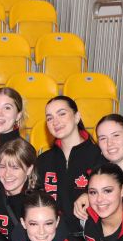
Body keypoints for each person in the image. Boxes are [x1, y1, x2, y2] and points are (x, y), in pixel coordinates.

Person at [36, 95, 104, 233]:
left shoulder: (99, 156)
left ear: (77, 117)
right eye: (49, 118)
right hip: (52, 238)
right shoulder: (43, 160)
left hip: (91, 239)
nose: (55, 122)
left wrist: (91, 195)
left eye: (61, 114)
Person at [0, 137, 37, 241]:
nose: (7, 174)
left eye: (15, 167)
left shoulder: (38, 202)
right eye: (2, 166)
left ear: (29, 169)